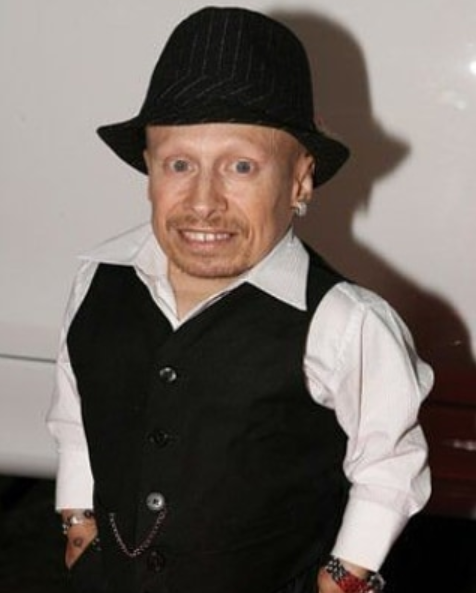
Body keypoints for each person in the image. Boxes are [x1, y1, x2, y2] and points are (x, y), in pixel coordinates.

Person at [47, 6, 433, 593]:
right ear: (149, 169)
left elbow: (390, 467)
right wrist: (79, 522)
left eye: (242, 167)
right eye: (180, 164)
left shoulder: (345, 323)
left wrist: (344, 577)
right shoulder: (97, 280)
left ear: (300, 180)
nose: (204, 201)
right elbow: (77, 411)